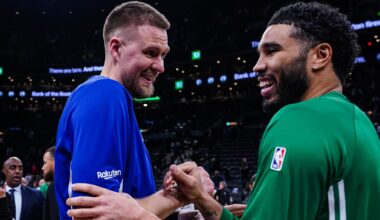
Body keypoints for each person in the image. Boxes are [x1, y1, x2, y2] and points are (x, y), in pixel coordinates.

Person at [163, 2, 380, 219]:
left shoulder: (297, 119)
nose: (257, 66)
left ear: (320, 55)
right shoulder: (361, 123)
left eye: (271, 51)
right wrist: (205, 202)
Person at [54, 2, 213, 219]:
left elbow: (124, 209)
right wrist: (179, 197)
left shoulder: (107, 97)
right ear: (116, 48)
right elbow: (95, 216)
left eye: (163, 55)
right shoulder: (106, 95)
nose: (160, 66)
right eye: (150, 52)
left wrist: (175, 211)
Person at [41, 146, 59, 220]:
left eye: (45, 163)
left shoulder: (76, 185)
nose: (42, 167)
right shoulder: (51, 188)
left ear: (56, 162)